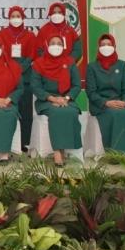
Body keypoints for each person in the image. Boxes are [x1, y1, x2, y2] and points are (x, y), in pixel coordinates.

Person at [32, 33, 83, 166]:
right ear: (47, 45)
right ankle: (57, 152)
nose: (56, 46)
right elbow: (35, 87)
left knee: (71, 112)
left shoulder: (70, 62)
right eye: (53, 43)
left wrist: (66, 98)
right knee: (57, 112)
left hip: (67, 99)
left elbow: (77, 85)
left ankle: (63, 148)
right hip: (46, 100)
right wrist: (52, 99)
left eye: (59, 44)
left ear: (63, 46)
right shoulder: (38, 63)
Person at [85, 33, 125, 157]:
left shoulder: (121, 65)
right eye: (103, 45)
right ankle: (115, 154)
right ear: (99, 47)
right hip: (100, 105)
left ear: (114, 46)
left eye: (109, 44)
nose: (106, 47)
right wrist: (106, 103)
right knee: (114, 114)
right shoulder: (92, 67)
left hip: (119, 103)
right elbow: (91, 92)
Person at [0, 6, 38, 149]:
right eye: (13, 16)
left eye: (18, 16)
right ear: (9, 18)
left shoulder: (30, 35)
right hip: (7, 77)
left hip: (25, 78)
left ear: (23, 18)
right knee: (8, 110)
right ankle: (8, 142)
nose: (15, 19)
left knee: (26, 112)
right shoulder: (1, 34)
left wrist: (19, 69)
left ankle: (25, 142)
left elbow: (31, 56)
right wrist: (12, 69)